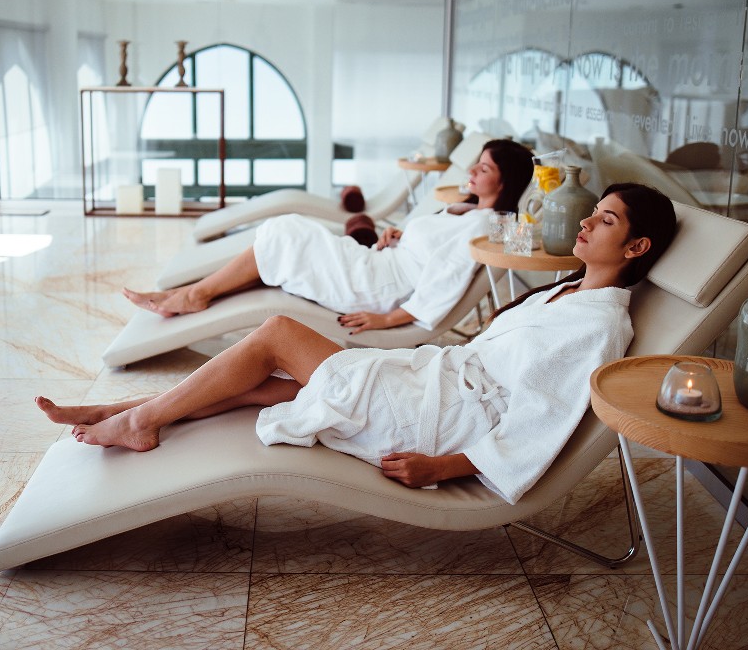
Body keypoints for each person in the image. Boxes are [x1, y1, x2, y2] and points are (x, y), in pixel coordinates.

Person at [37, 183, 677, 505]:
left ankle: (140, 419)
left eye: (606, 220)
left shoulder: (599, 326)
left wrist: (446, 468)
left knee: (277, 336)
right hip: (437, 382)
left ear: (636, 248)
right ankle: (124, 417)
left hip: (439, 421)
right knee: (267, 387)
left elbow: (543, 418)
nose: (587, 222)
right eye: (593, 212)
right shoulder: (565, 293)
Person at [122, 139, 536, 334]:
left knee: (286, 232)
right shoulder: (465, 210)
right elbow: (431, 250)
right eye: (477, 163)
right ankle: (198, 292)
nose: (473, 171)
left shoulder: (487, 226)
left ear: (506, 181)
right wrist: (399, 236)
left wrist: (389, 318)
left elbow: (445, 279)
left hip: (378, 289)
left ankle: (196, 295)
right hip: (381, 264)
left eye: (484, 168)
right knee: (288, 233)